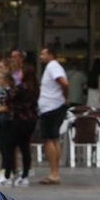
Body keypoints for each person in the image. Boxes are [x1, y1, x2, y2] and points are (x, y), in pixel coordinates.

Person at [1, 64, 38, 188]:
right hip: (30, 120)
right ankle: (25, 176)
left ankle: (7, 175)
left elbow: (10, 99)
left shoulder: (20, 88)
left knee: (9, 147)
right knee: (25, 148)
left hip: (18, 120)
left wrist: (7, 88)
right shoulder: (35, 88)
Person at [37, 45, 69, 185]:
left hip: (51, 107)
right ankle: (54, 172)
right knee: (54, 139)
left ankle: (54, 173)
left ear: (51, 55)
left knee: (49, 139)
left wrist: (65, 97)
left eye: (43, 54)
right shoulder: (52, 67)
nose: (41, 56)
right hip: (52, 106)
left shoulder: (52, 66)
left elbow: (64, 83)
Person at [0, 58, 15, 187]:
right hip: (0, 118)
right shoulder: (1, 87)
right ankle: (4, 169)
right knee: (2, 145)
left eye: (2, 67)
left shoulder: (10, 88)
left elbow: (10, 104)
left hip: (7, 119)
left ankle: (8, 171)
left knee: (7, 146)